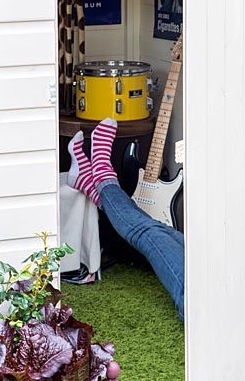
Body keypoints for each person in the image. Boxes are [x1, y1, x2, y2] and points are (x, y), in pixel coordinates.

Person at [67, 118, 185, 321]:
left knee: (148, 231)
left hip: (196, 298)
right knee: (166, 231)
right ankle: (92, 182)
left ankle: (101, 176)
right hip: (215, 286)